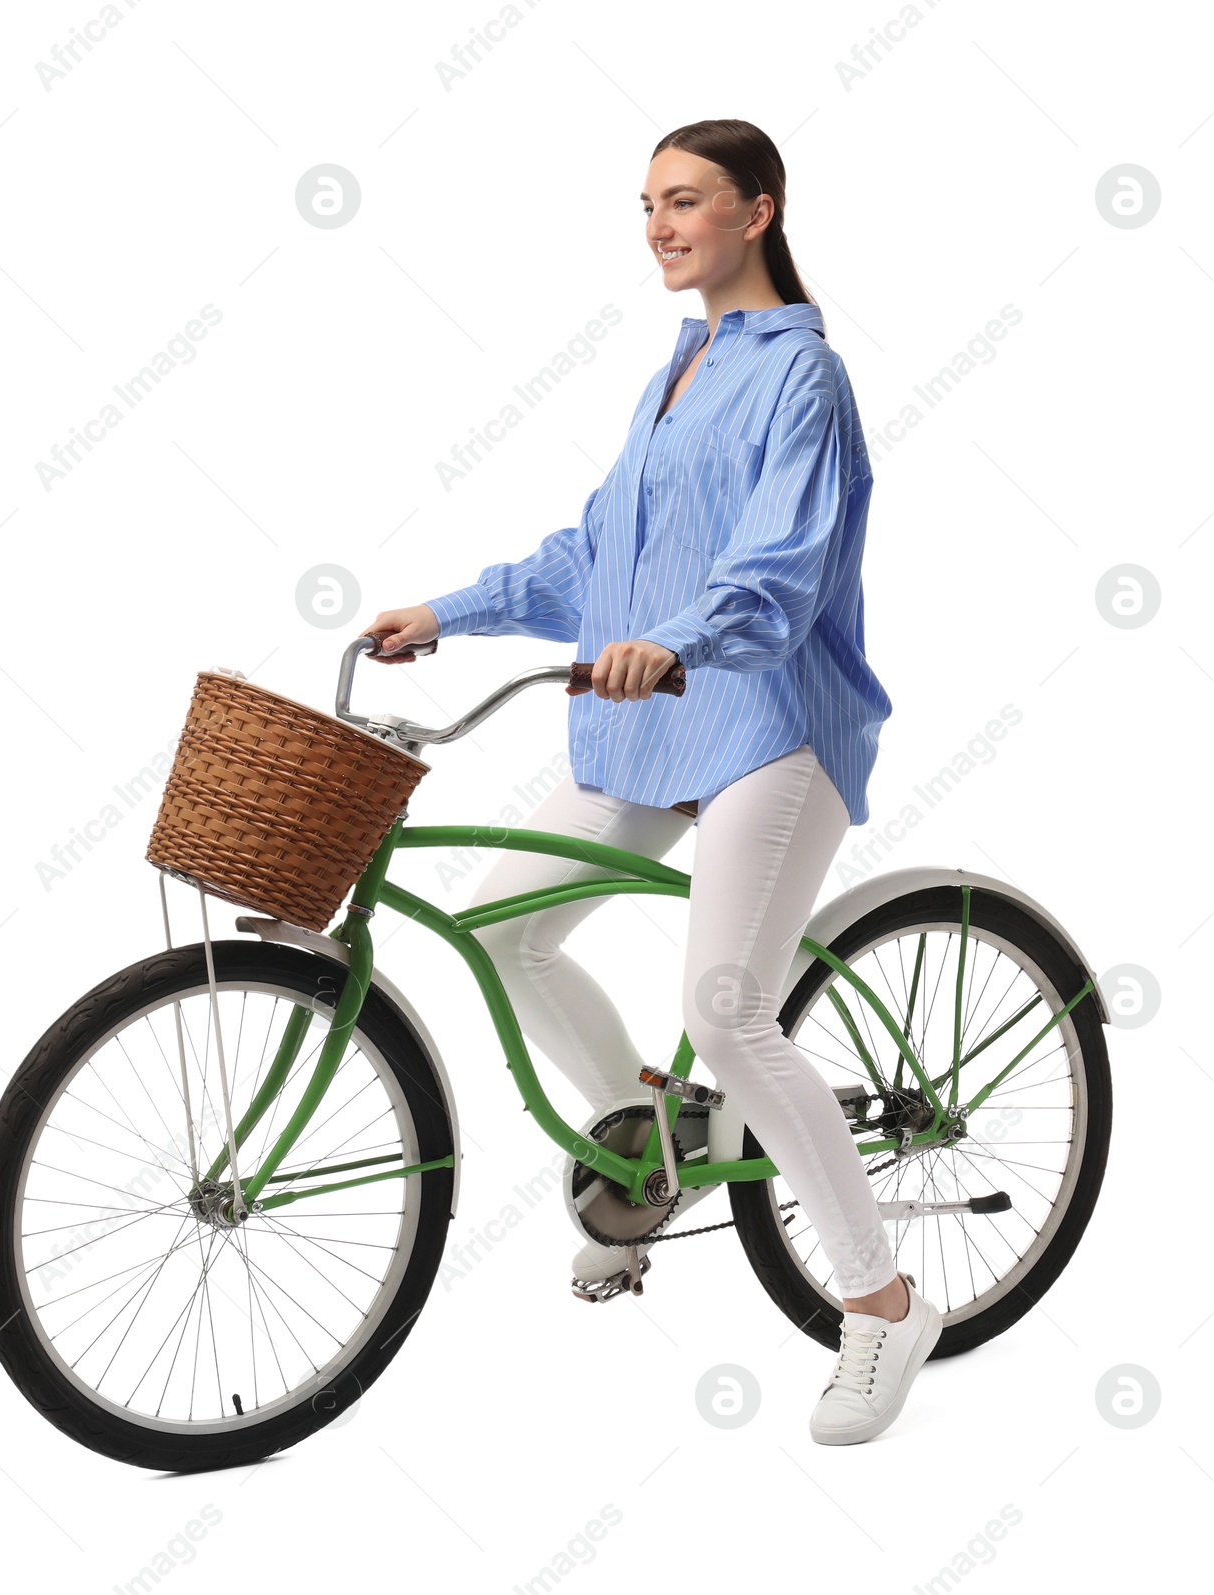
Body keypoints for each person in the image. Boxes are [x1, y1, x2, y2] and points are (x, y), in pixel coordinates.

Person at [360, 119, 938, 1445]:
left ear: (760, 210)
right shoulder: (682, 363)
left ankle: (885, 1302)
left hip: (767, 730)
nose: (660, 225)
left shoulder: (805, 378)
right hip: (642, 735)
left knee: (731, 1010)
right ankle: (649, 1130)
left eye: (686, 201)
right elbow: (593, 559)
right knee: (502, 929)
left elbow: (782, 572)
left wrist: (675, 639)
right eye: (647, 205)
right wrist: (445, 611)